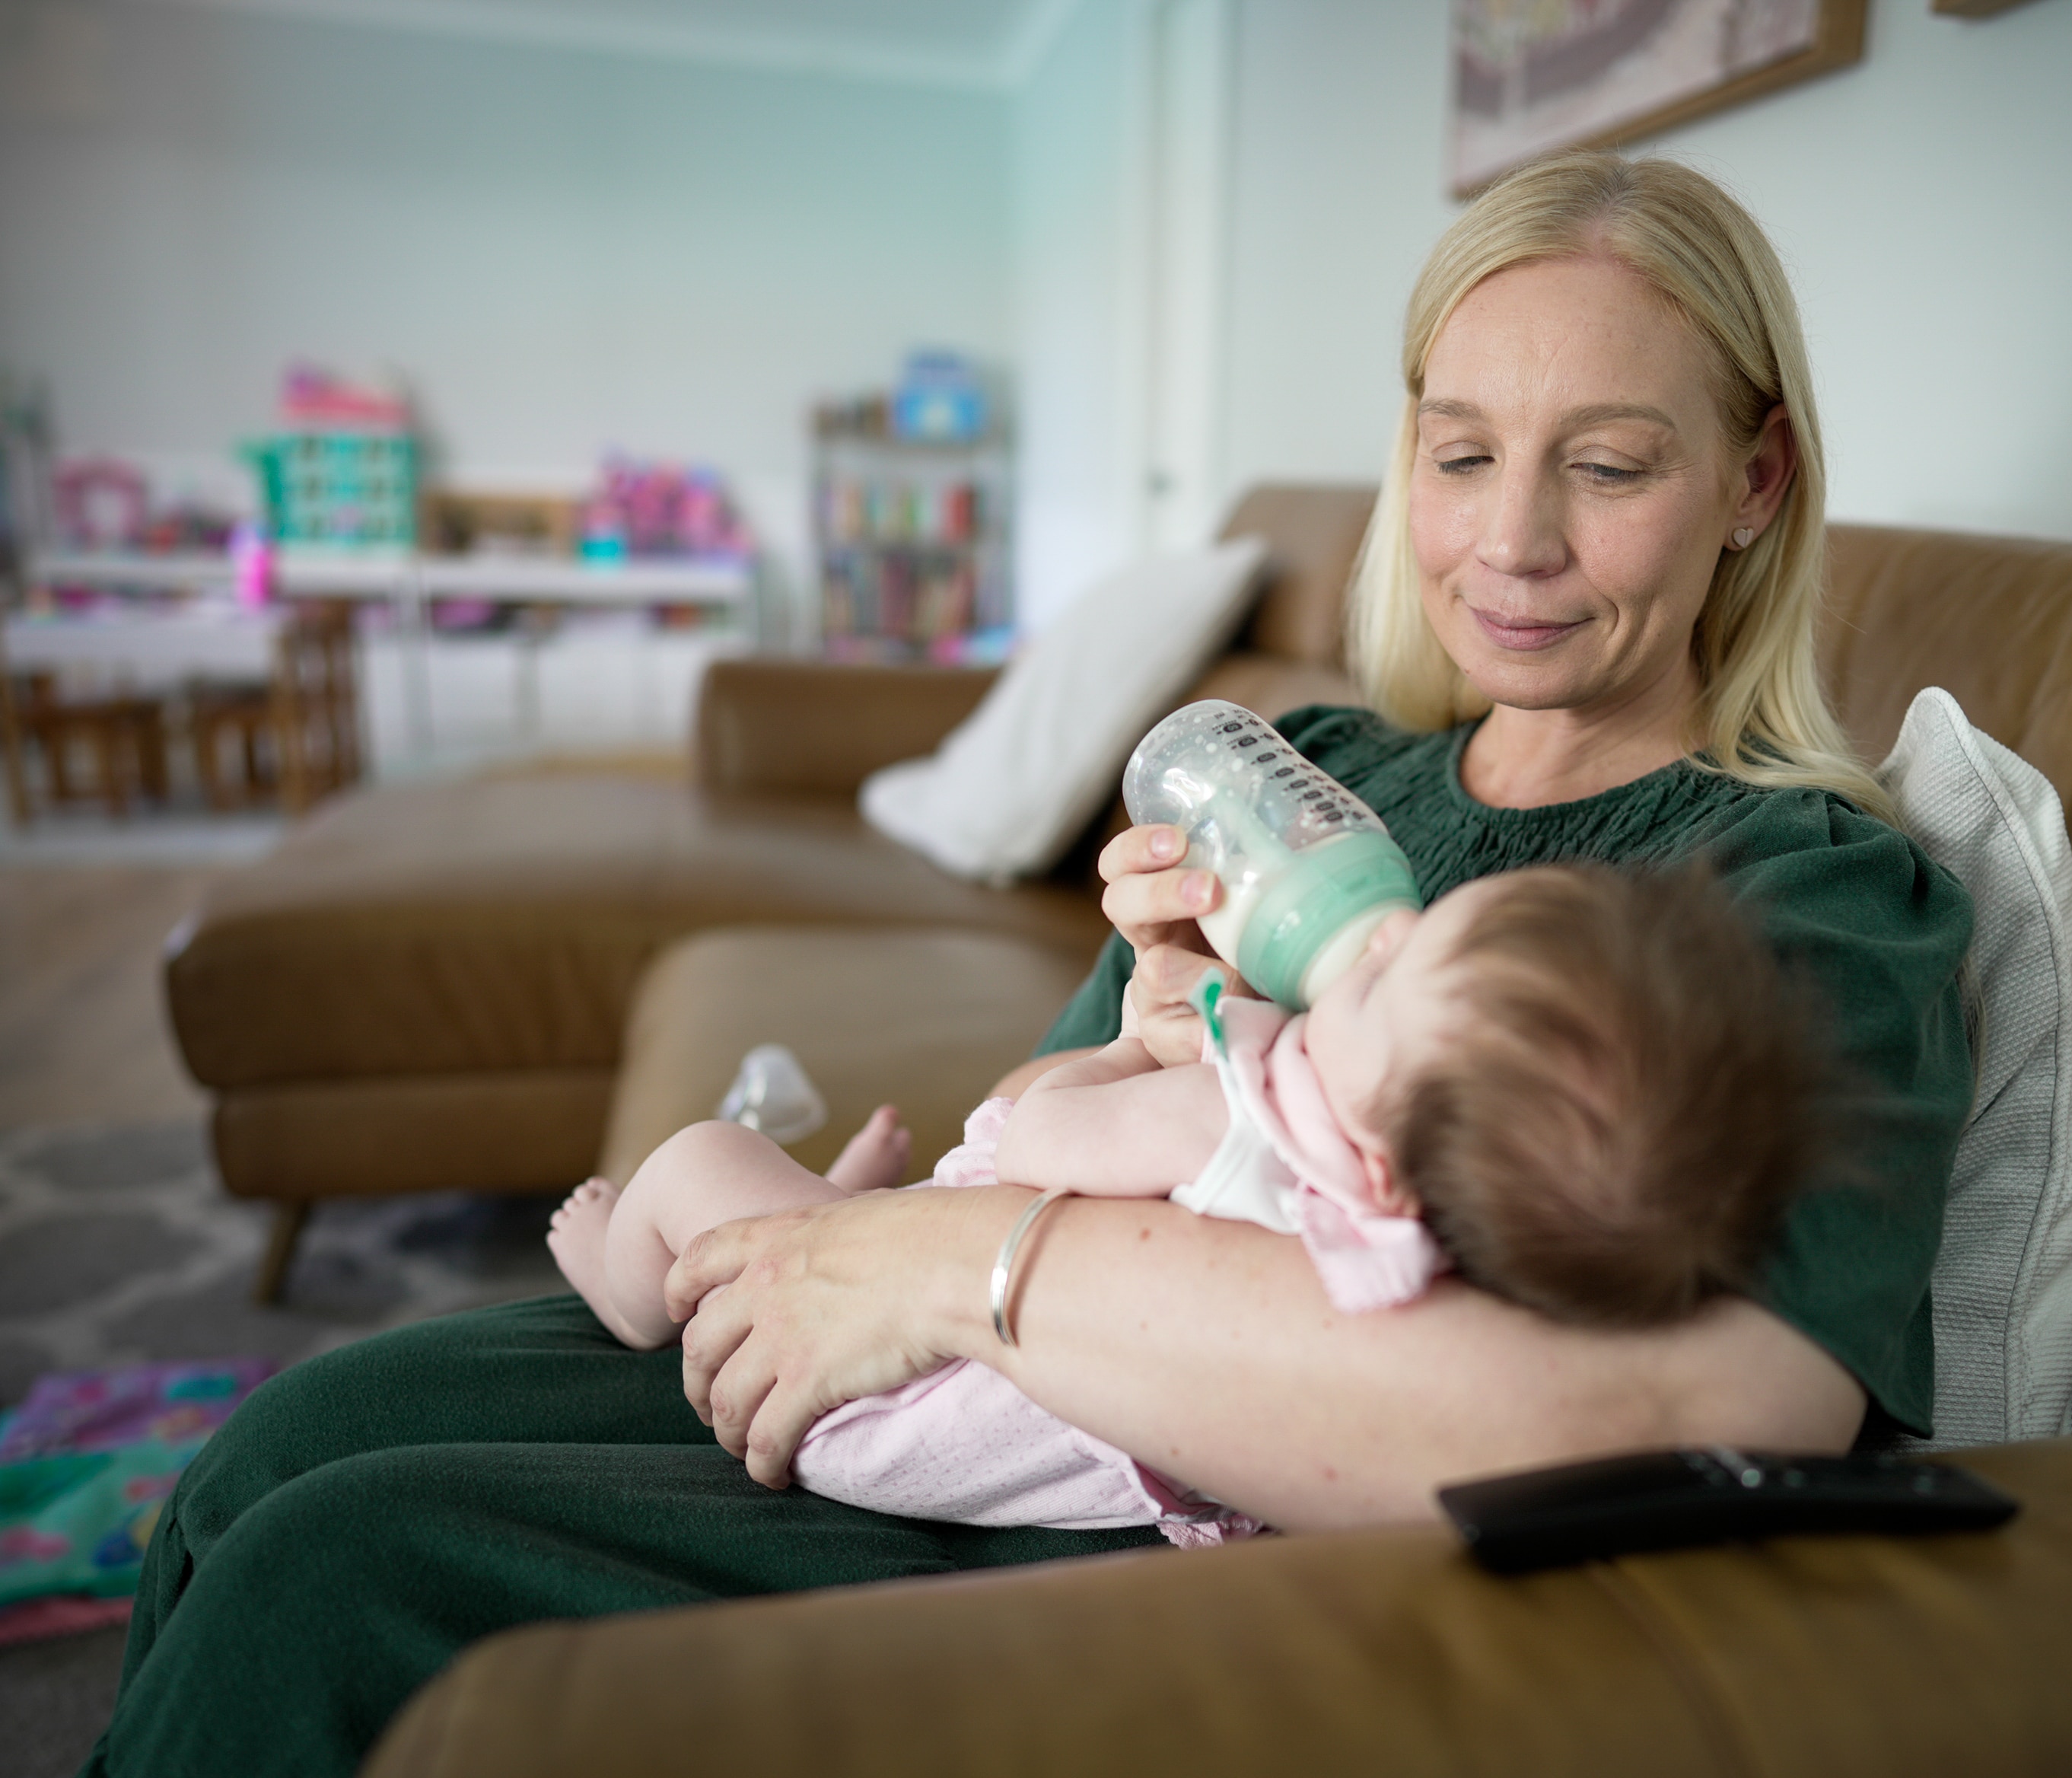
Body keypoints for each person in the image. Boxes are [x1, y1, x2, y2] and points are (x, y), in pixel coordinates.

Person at [84, 148, 1973, 1776]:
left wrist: (959, 1263)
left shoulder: (1794, 886)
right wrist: (1138, 1029)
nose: (1514, 540)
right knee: (285, 1444)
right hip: (959, 1354)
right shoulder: (1332, 767)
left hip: (1165, 1515)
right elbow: (1032, 1107)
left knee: (329, 1574)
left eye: (1613, 464)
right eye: (1461, 451)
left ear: (1755, 479)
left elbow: (1712, 1418)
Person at [546, 864, 1827, 1544]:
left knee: (704, 1153)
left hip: (869, 1400)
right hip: (1051, 1429)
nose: (1370, 944)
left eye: (1386, 978)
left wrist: (1131, 1049)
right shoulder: (1428, 1207)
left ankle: (622, 1272)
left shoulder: (1246, 1121)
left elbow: (1040, 1127)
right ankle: (821, 1209)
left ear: (1374, 1163)